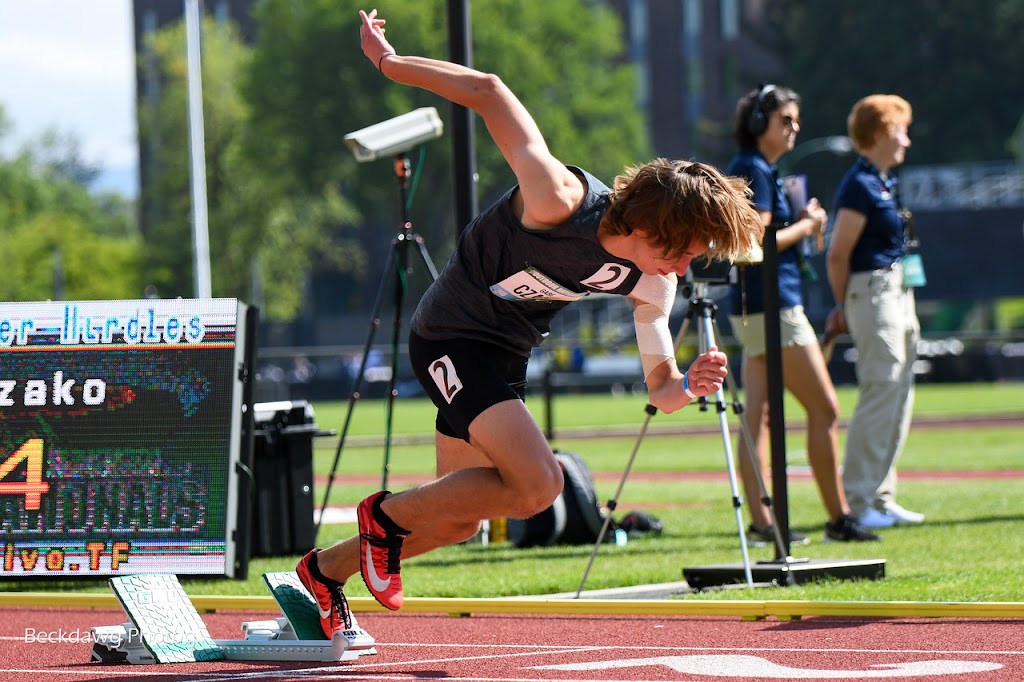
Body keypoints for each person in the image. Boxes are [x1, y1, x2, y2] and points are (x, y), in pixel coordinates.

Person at [295, 8, 765, 639]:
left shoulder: (655, 280)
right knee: (539, 486)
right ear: (648, 224)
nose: (687, 265)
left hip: (502, 359)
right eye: (682, 248)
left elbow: (660, 389)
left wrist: (689, 384)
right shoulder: (557, 200)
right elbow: (490, 91)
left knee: (456, 520)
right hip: (451, 337)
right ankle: (380, 515)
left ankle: (324, 572)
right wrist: (389, 62)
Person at [726, 84, 878, 545]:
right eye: (785, 120)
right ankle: (838, 518)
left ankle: (761, 523)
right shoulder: (753, 167)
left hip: (762, 305)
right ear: (758, 125)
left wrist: (801, 225)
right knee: (825, 407)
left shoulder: (757, 167)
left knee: (759, 415)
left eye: (796, 120)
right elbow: (759, 243)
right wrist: (808, 226)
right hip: (772, 304)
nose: (795, 128)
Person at [825, 94, 923, 530]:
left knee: (899, 392)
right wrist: (844, 304)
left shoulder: (882, 181)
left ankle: (881, 496)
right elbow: (837, 254)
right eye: (900, 130)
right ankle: (860, 500)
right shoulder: (858, 184)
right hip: (873, 291)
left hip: (899, 290)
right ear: (882, 132)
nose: (905, 139)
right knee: (880, 388)